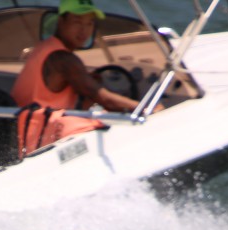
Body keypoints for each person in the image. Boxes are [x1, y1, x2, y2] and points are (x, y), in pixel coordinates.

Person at [10, 0, 158, 157]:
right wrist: (148, 109)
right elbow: (105, 99)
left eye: (89, 23)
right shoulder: (63, 59)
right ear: (61, 21)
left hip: (27, 129)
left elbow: (84, 96)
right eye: (77, 22)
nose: (84, 30)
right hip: (36, 138)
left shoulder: (45, 47)